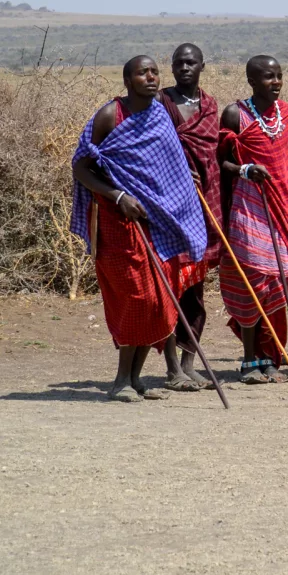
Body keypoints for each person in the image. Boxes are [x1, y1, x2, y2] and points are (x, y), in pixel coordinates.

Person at [70, 55, 207, 402]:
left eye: (154, 72)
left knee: (159, 300)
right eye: (141, 73)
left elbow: (167, 162)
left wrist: (181, 182)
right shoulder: (110, 115)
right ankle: (120, 381)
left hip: (157, 222)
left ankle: (135, 379)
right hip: (119, 222)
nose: (150, 77)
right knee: (136, 298)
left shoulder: (160, 111)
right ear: (127, 80)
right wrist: (118, 197)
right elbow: (82, 168)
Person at [218, 55, 288, 385]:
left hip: (286, 212)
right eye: (269, 77)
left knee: (278, 287)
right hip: (248, 210)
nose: (276, 82)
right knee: (252, 284)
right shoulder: (235, 114)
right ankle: (248, 360)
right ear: (252, 81)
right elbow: (220, 164)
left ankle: (271, 358)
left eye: (280, 76)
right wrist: (245, 169)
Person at [156, 43, 221, 392]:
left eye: (191, 62)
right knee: (171, 287)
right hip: (169, 210)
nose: (185, 68)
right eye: (179, 63)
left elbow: (211, 155)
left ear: (201, 66)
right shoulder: (160, 104)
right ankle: (170, 369)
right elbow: (151, 152)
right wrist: (176, 173)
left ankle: (188, 363)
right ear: (171, 66)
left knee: (195, 290)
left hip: (203, 206)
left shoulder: (209, 105)